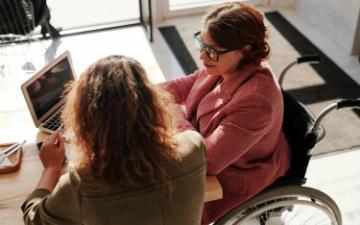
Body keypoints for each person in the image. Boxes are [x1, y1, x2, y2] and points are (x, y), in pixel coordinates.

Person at [21, 55, 207, 225]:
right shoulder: (194, 145)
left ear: (86, 119)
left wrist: (51, 169)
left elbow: (33, 220)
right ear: (154, 103)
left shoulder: (82, 184)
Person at [160, 2, 292, 224]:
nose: (202, 56)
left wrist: (175, 116)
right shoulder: (224, 63)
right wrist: (140, 91)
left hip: (235, 175)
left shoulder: (256, 101)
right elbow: (187, 85)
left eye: (211, 51)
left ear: (245, 50)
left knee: (164, 202)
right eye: (201, 44)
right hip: (214, 149)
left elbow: (208, 162)